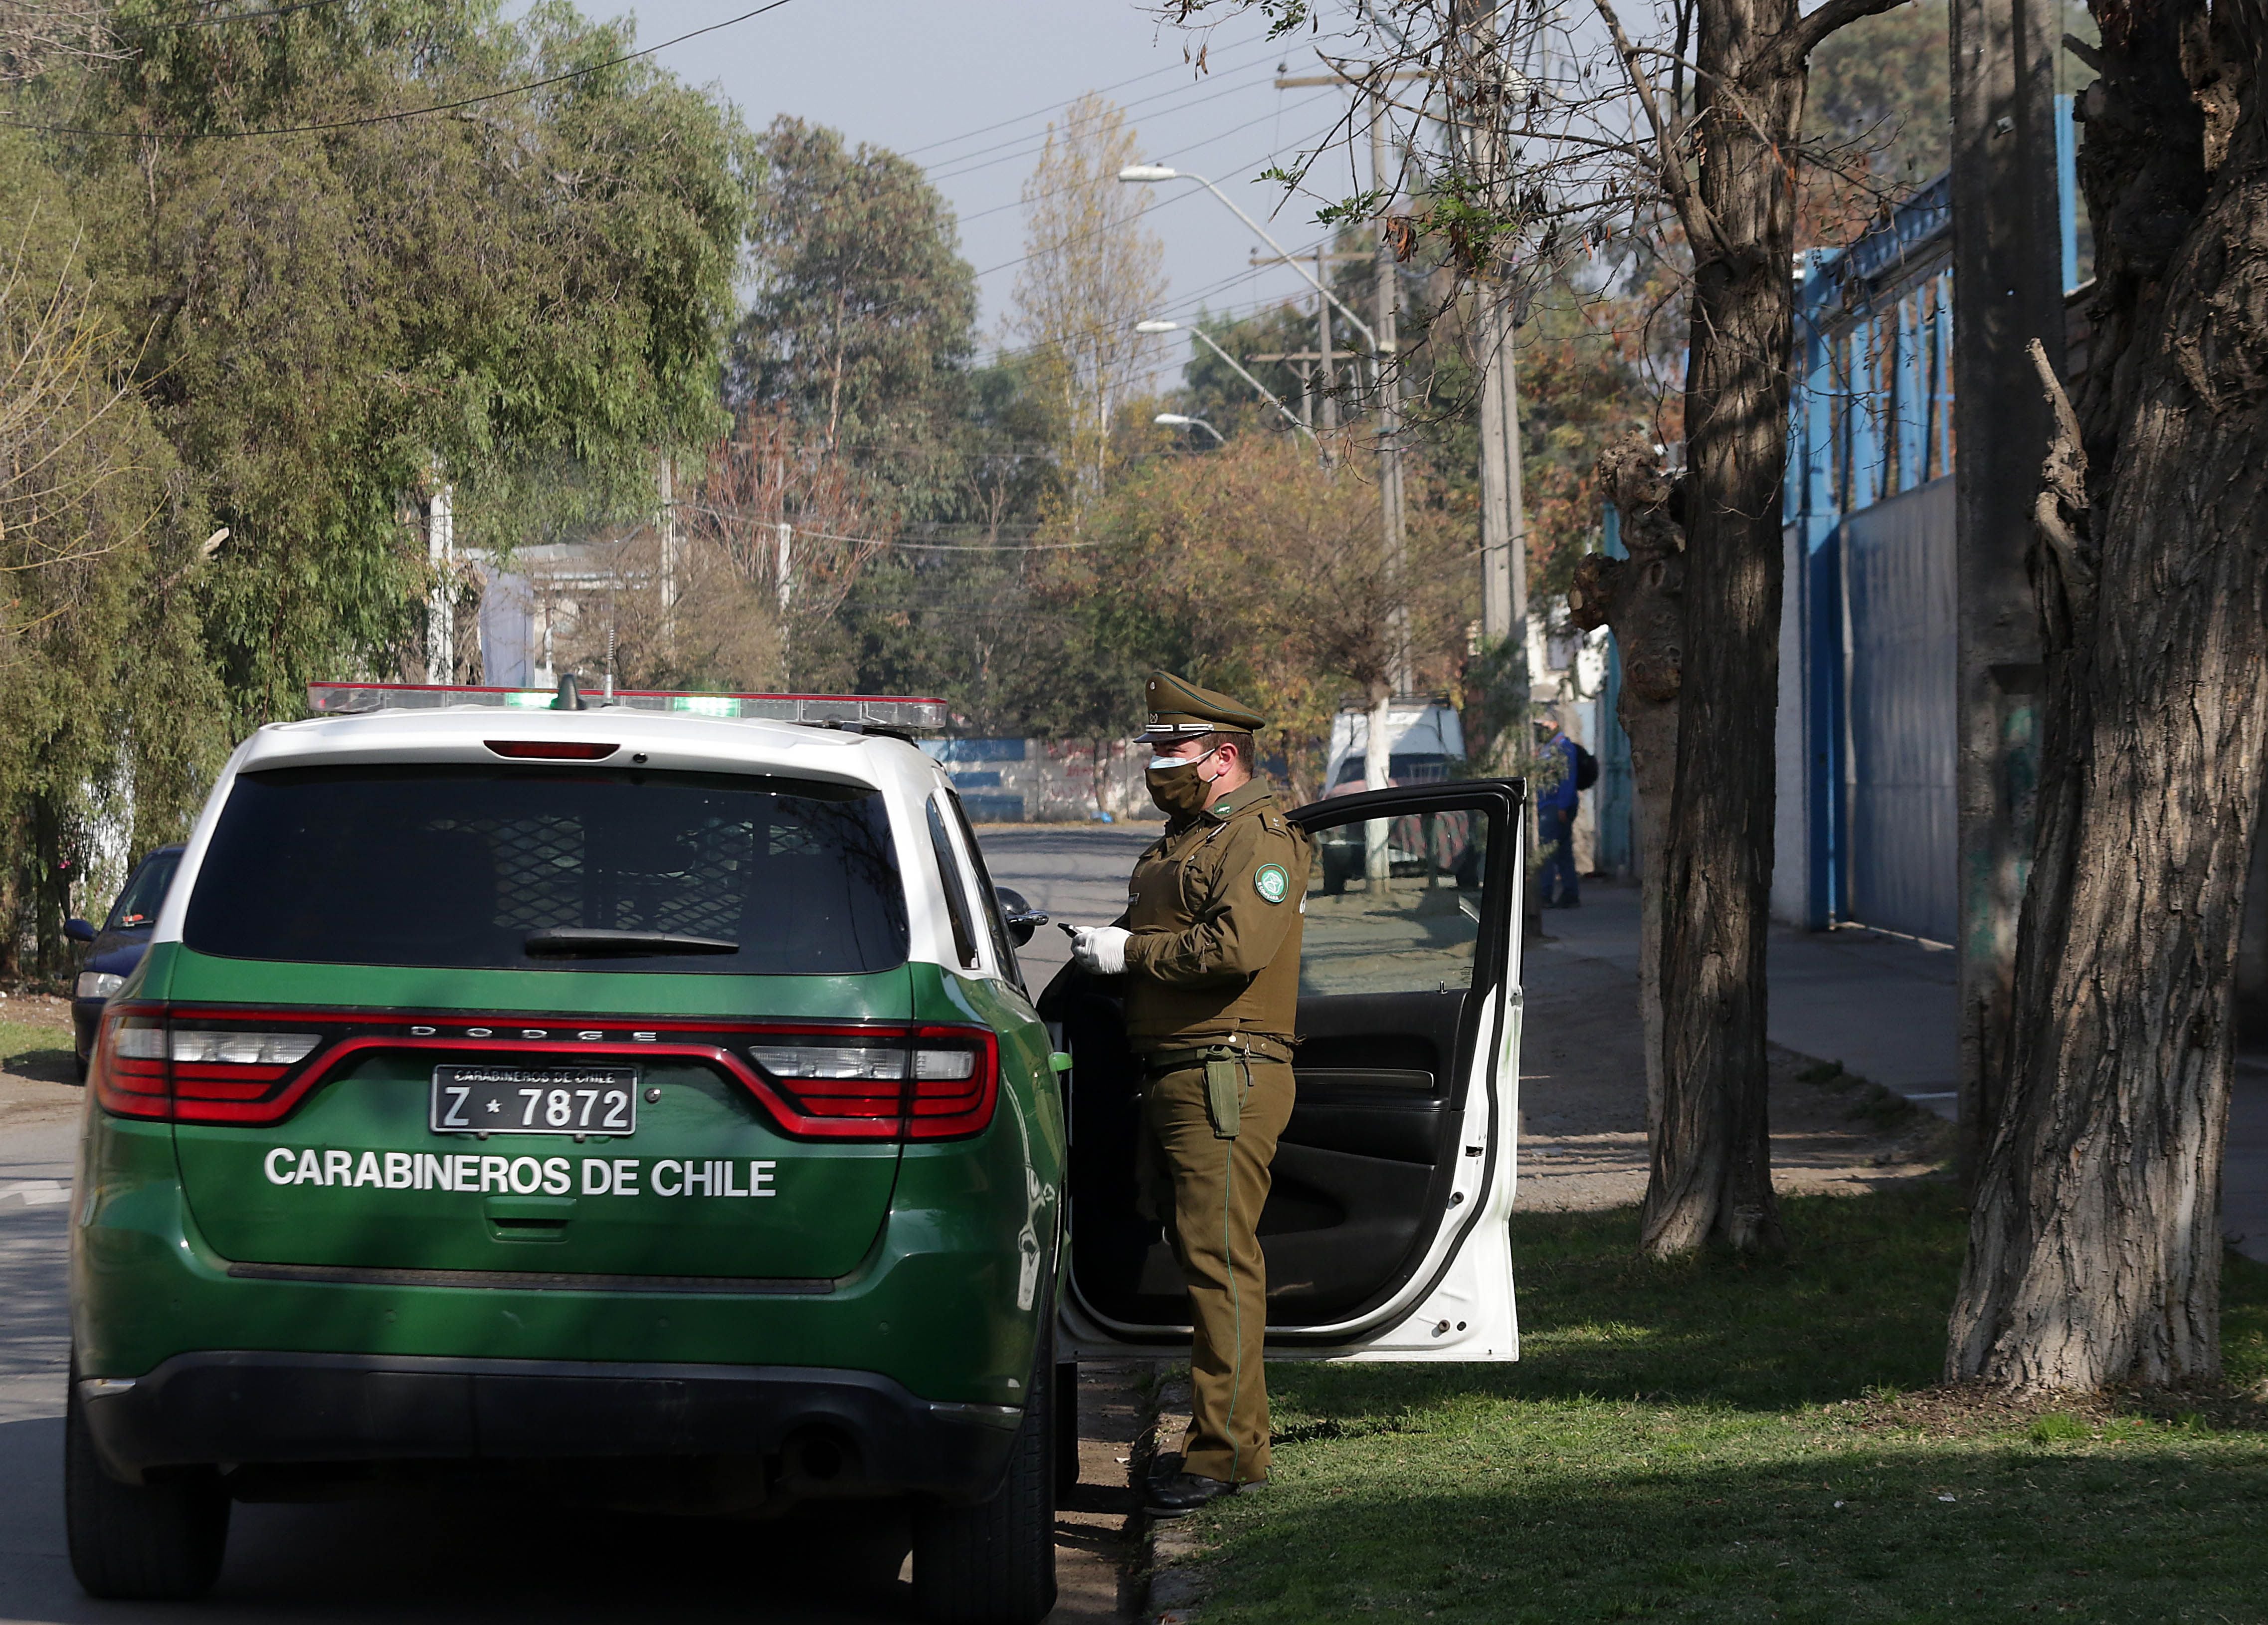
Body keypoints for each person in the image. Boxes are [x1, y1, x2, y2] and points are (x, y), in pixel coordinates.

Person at [1067, 671, 1312, 1517]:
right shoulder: (1189, 836)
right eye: (1157, 749)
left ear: (1223, 755)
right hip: (1180, 1070)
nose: (1158, 763)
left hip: (1225, 1071)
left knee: (1220, 1264)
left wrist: (1127, 955)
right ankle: (1218, 1440)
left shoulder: (1259, 837)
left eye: (1172, 750)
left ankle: (1227, 1456)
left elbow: (1235, 946)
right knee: (1205, 1260)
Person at [1534, 714, 1594, 909]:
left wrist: (1562, 807)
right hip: (1549, 805)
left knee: (1548, 852)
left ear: (1554, 724)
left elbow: (1568, 780)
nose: (1539, 729)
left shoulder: (1562, 747)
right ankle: (1570, 893)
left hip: (1555, 806)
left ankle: (1546, 894)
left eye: (1543, 725)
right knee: (1562, 852)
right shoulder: (1547, 747)